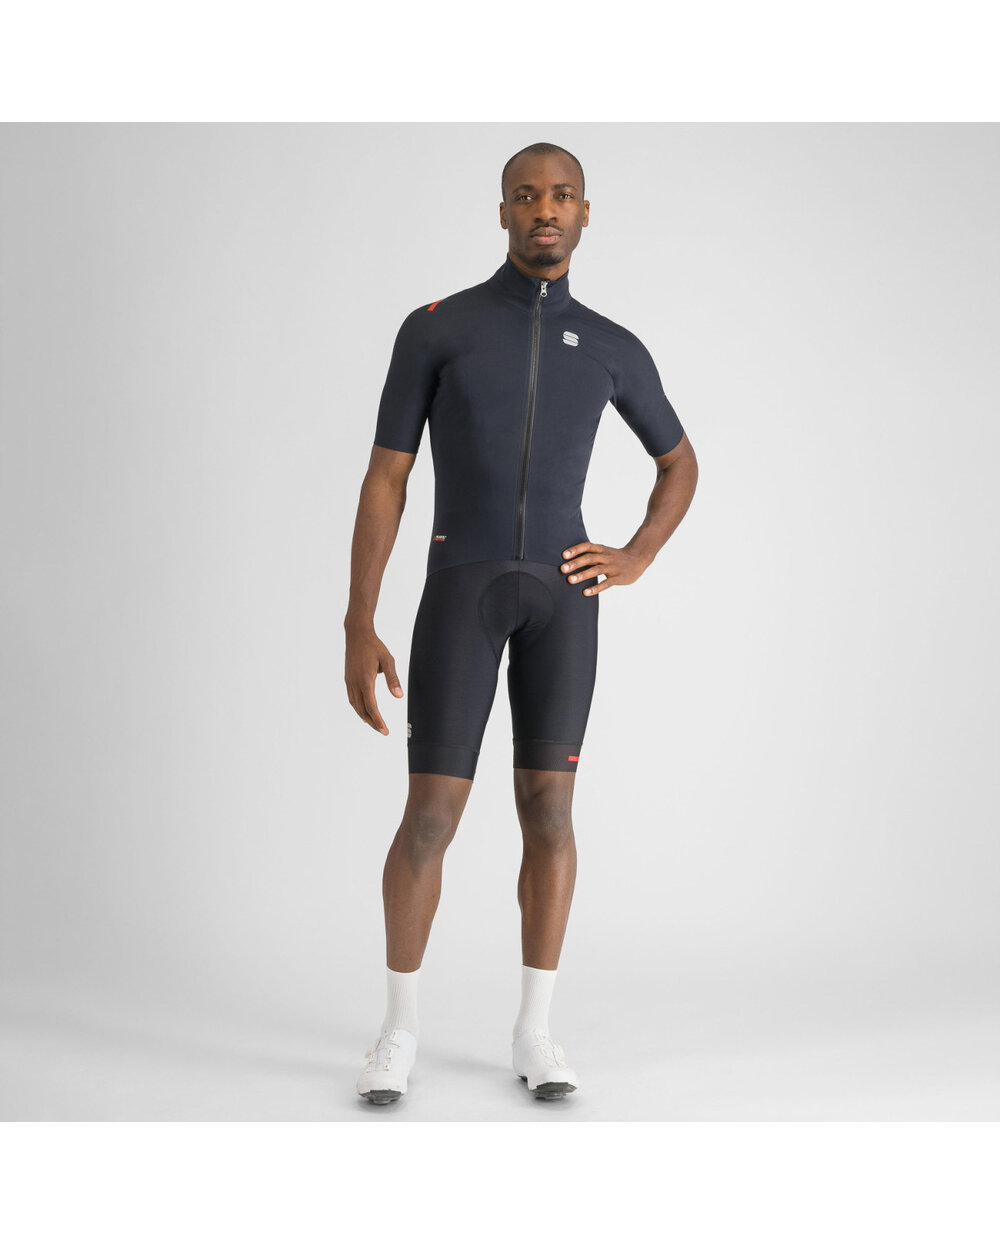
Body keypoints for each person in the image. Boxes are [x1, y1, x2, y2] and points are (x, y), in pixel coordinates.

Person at [345, 141, 698, 1104]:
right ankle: (398, 1031)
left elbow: (679, 462)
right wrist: (358, 619)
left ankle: (535, 1033)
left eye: (562, 195)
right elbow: (386, 478)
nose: (546, 209)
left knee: (550, 813)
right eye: (527, 195)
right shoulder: (438, 329)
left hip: (562, 601)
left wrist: (637, 553)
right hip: (459, 590)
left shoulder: (615, 345)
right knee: (430, 817)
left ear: (585, 212)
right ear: (502, 211)